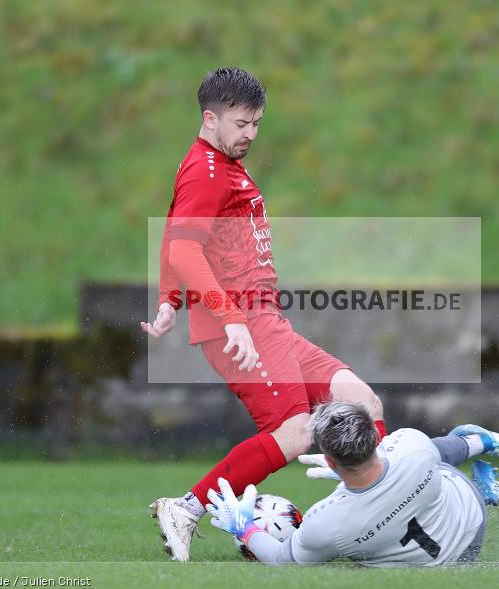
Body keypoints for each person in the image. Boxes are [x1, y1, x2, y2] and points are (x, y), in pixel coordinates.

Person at [140, 67, 386, 561]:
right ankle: (186, 508)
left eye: (256, 123)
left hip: (266, 321)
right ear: (210, 119)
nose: (250, 133)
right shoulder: (208, 170)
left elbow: (175, 230)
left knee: (363, 403)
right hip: (240, 327)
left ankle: (376, 514)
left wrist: (169, 300)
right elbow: (184, 250)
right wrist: (229, 317)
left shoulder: (219, 164)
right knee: (295, 431)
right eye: (239, 123)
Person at [206, 402, 499, 567]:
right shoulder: (411, 443)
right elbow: (449, 450)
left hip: (438, 568)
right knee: (443, 451)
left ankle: (483, 460)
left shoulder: (326, 523)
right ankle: (484, 451)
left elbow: (281, 559)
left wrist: (244, 527)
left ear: (330, 462)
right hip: (471, 517)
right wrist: (477, 441)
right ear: (377, 439)